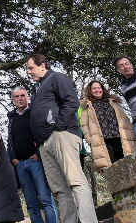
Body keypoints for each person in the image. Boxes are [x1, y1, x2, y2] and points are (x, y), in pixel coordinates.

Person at [25, 54, 97, 223]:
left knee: (76, 181)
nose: (29, 72)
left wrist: (59, 126)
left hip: (62, 136)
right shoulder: (39, 88)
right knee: (59, 190)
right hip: (45, 145)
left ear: (42, 65)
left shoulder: (57, 78)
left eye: (31, 68)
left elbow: (71, 102)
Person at [8, 87, 58, 223]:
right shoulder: (11, 118)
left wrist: (38, 154)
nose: (20, 98)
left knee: (45, 199)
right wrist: (12, 158)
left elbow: (43, 133)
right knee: (31, 204)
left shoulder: (34, 113)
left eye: (22, 95)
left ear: (27, 97)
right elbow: (10, 140)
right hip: (20, 164)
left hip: (36, 161)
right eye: (17, 96)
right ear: (13, 99)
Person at [79, 81, 136, 169]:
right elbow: (84, 125)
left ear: (102, 89)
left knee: (127, 163)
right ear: (90, 91)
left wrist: (131, 133)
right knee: (111, 166)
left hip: (119, 137)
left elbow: (124, 119)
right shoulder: (86, 106)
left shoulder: (113, 101)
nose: (97, 90)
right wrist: (89, 139)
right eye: (94, 88)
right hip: (102, 140)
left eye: (99, 88)